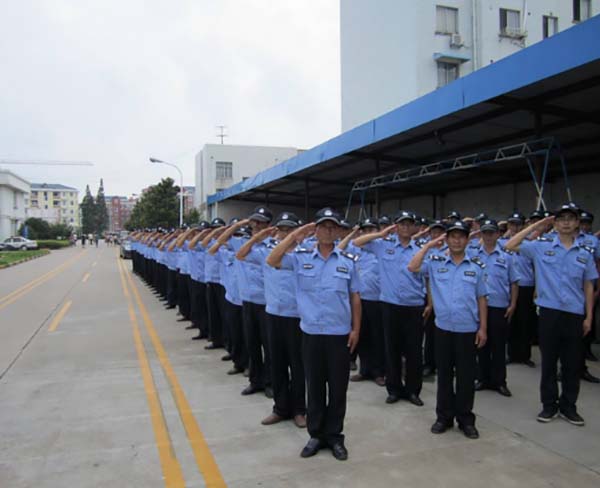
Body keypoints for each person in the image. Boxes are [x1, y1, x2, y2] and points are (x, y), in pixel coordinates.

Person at [266, 207, 361, 461]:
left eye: (332, 227)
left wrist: (356, 329)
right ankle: (316, 435)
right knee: (315, 387)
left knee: (338, 389)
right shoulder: (300, 256)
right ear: (315, 230)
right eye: (323, 226)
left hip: (339, 334)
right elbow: (272, 260)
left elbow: (355, 297)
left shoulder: (348, 260)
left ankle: (335, 436)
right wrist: (294, 235)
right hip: (311, 334)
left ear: (338, 231)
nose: (328, 231)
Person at [505, 204, 598, 426]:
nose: (566, 222)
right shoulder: (541, 246)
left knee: (571, 363)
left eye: (570, 219)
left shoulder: (584, 253)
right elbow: (510, 244)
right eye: (561, 218)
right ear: (554, 223)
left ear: (577, 223)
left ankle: (569, 407)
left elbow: (588, 286)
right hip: (549, 313)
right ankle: (549, 405)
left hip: (574, 313)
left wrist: (589, 316)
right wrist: (538, 224)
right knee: (548, 363)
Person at [408, 220, 488, 440]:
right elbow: (412, 267)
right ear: (447, 239)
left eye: (461, 236)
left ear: (467, 240)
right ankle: (443, 417)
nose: (457, 240)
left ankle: (465, 419)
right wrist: (428, 245)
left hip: (467, 330)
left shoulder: (476, 266)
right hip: (443, 329)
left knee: (465, 377)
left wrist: (483, 328)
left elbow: (482, 298)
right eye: (452, 236)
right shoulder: (435, 262)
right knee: (444, 376)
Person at [237, 212, 307, 428]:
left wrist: (296, 238)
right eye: (282, 229)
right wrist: (258, 237)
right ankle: (280, 408)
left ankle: (299, 409)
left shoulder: (306, 253)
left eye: (290, 229)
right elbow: (240, 254)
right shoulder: (267, 251)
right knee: (276, 363)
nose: (285, 233)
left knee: (297, 366)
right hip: (273, 314)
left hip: (296, 317)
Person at [353, 210, 427, 407]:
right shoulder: (383, 246)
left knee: (413, 352)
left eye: (408, 224)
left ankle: (413, 390)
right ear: (396, 226)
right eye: (401, 224)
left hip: (413, 306)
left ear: (414, 227)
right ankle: (393, 389)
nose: (405, 227)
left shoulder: (420, 249)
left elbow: (427, 276)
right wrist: (380, 233)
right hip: (389, 305)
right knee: (391, 349)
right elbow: (356, 243)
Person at [470, 219, 519, 397]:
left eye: (492, 232)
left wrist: (513, 304)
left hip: (499, 306)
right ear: (481, 234)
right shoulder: (473, 255)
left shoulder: (507, 256)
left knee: (499, 346)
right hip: (478, 307)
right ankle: (482, 378)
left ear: (498, 234)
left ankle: (499, 382)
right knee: (481, 345)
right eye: (485, 232)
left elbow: (514, 282)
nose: (489, 236)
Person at [338, 218, 385, 387]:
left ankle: (379, 372)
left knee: (378, 337)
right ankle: (365, 370)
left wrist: (378, 235)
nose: (368, 232)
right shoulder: (355, 248)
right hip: (359, 300)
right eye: (365, 230)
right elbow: (340, 248)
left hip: (377, 300)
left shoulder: (382, 248)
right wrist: (352, 233)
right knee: (362, 337)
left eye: (372, 229)